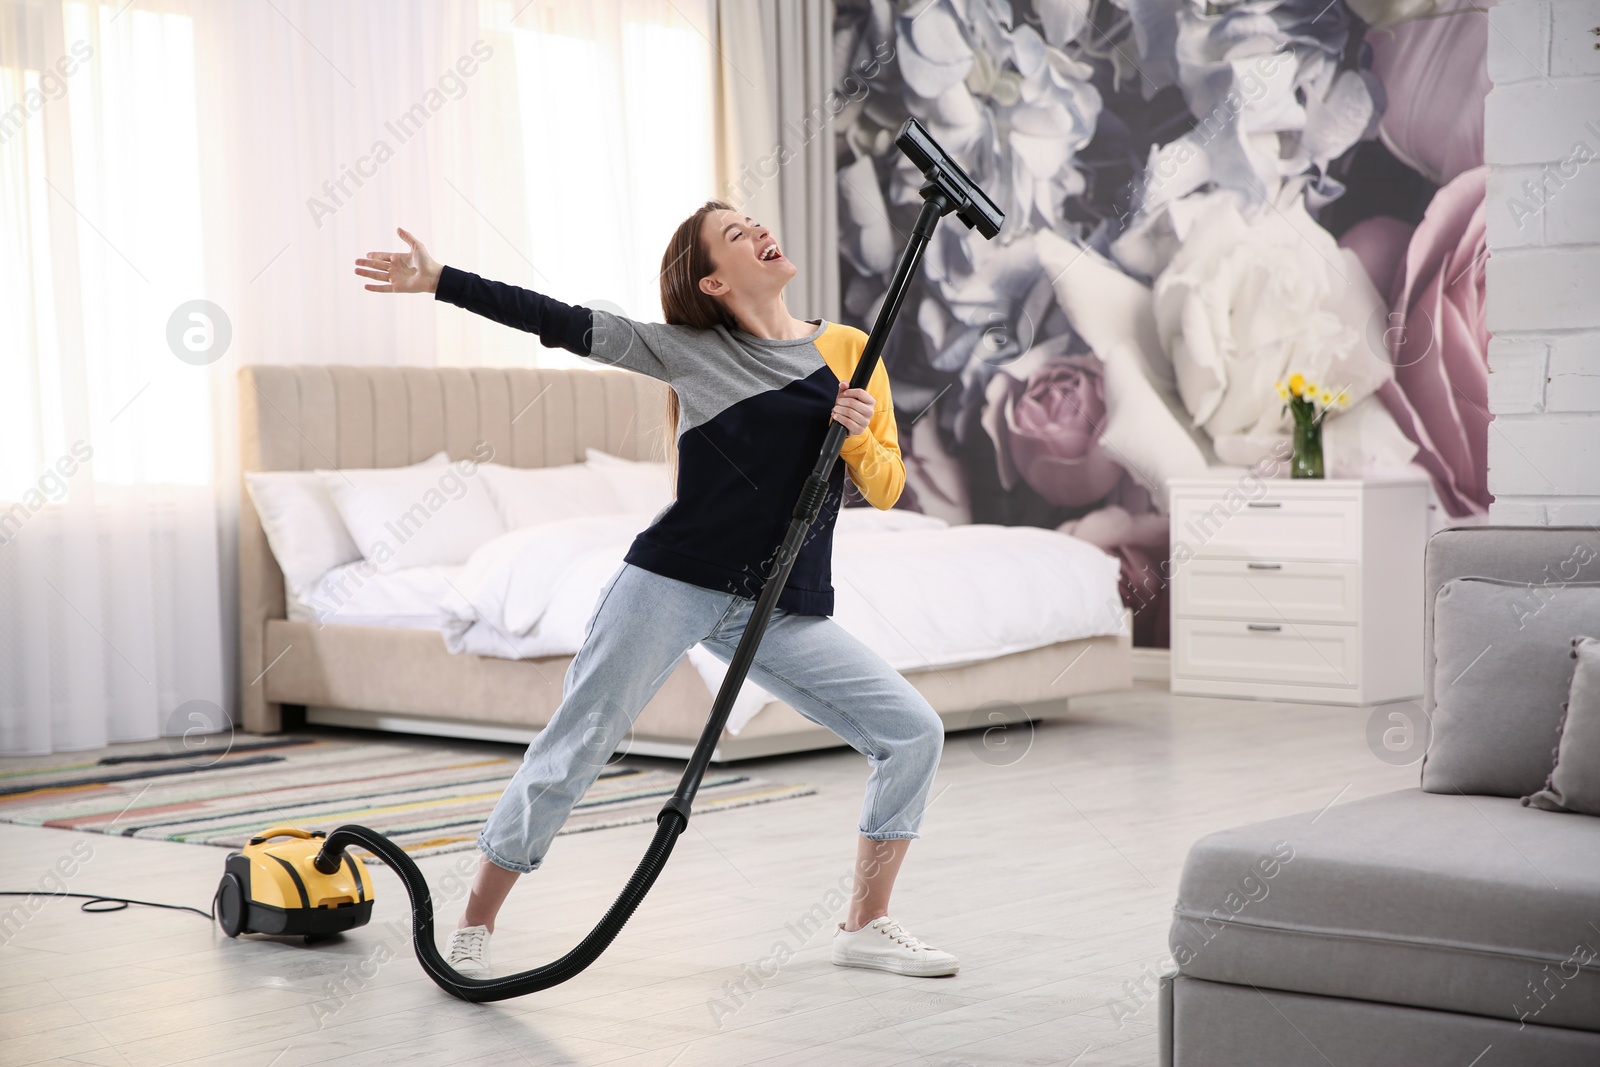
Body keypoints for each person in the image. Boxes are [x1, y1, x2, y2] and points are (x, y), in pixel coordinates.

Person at [353, 201, 957, 980]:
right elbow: (560, 320)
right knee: (581, 738)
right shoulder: (688, 352)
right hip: (673, 581)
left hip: (774, 604)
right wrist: (442, 281)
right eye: (734, 234)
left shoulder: (849, 349)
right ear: (712, 279)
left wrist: (853, 434)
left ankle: (865, 923)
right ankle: (475, 920)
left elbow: (887, 486)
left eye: (754, 221)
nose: (759, 230)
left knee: (913, 730)